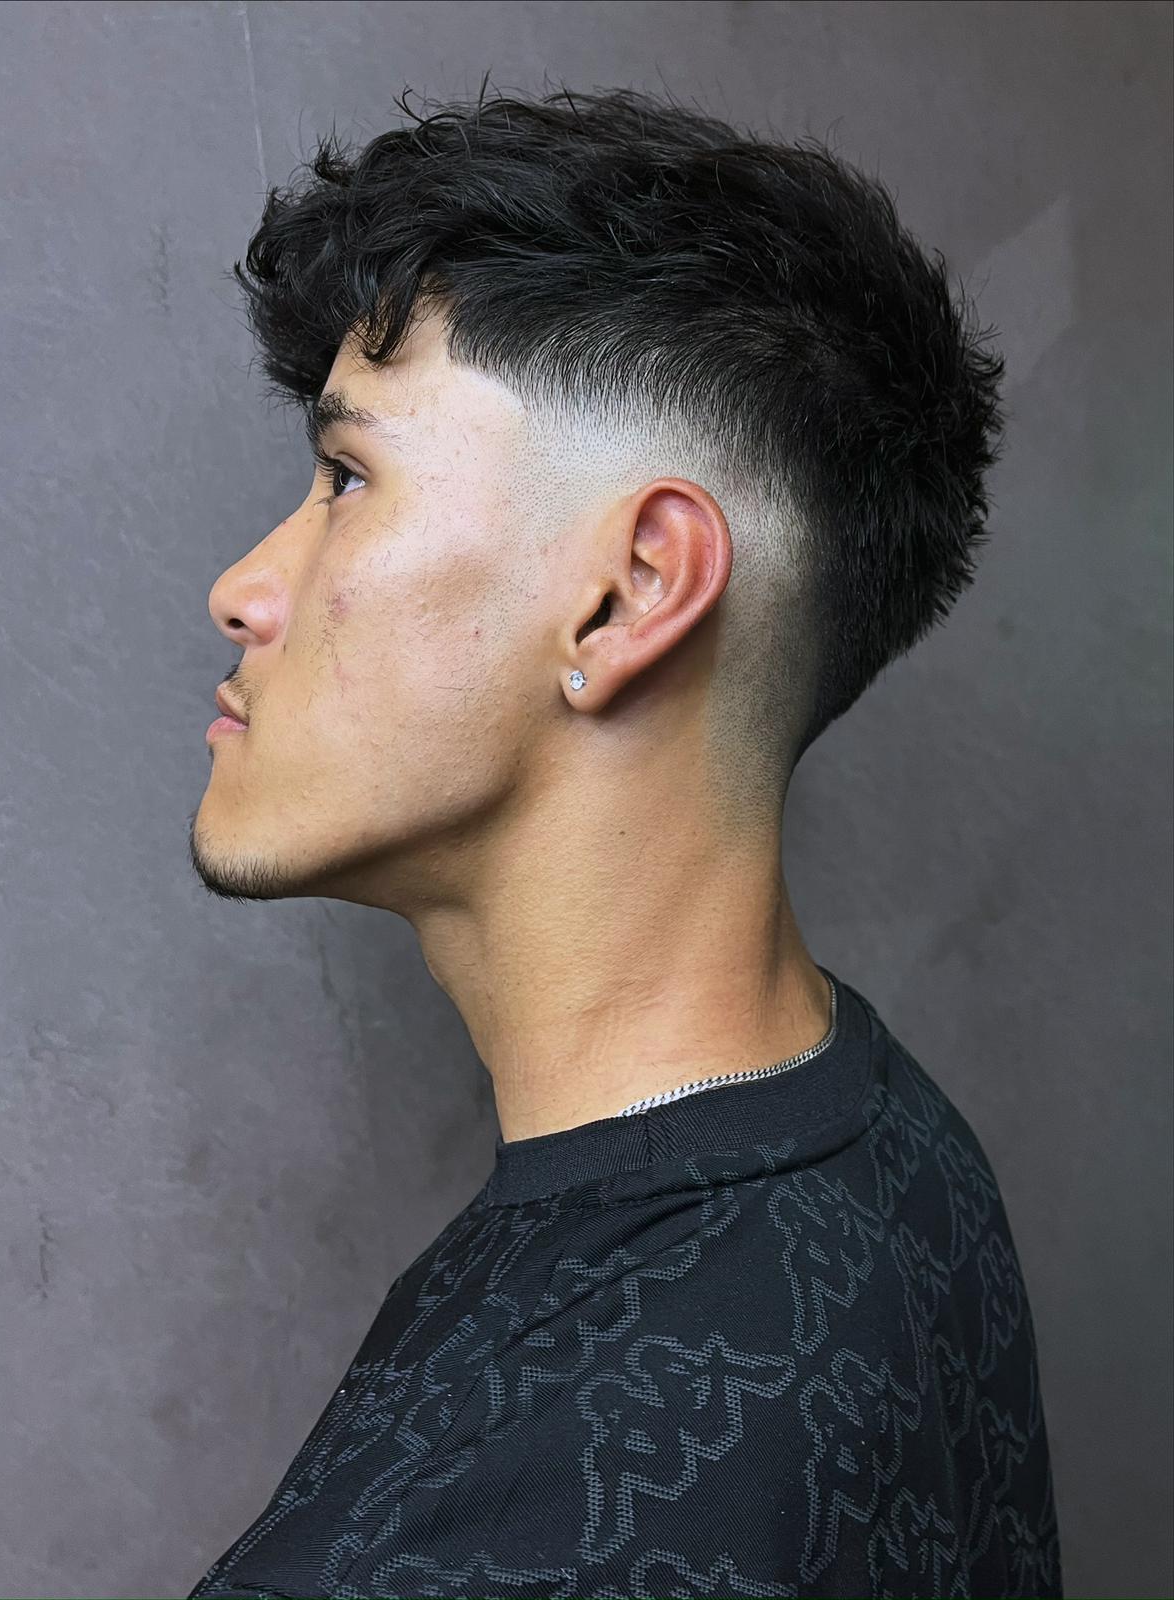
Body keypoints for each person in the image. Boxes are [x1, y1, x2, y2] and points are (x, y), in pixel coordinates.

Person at [185, 80, 1061, 1599]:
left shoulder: (505, 1534)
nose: (243, 590)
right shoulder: (882, 1134)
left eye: (346, 480)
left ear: (629, 592)